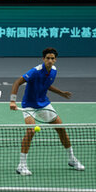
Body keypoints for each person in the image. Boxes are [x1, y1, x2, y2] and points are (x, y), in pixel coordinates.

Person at [9, 48, 85, 176]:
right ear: (43, 59)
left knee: (61, 128)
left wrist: (60, 93)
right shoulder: (34, 71)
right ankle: (21, 166)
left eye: (52, 58)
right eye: (48, 58)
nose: (50, 61)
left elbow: (46, 84)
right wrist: (12, 101)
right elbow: (17, 82)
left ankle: (72, 159)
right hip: (29, 106)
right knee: (30, 131)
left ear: (55, 60)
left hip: (44, 103)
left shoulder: (54, 71)